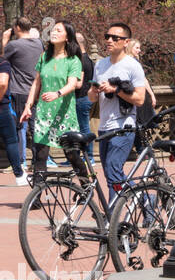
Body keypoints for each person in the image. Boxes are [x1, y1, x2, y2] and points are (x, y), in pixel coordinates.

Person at [21, 21, 89, 182]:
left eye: (59, 30)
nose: (54, 32)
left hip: (65, 115)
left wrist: (57, 94)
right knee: (40, 155)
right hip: (44, 113)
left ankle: (86, 188)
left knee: (72, 155)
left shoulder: (73, 60)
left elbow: (72, 84)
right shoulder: (44, 57)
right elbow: (36, 83)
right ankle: (37, 194)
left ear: (67, 37)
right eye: (53, 30)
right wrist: (28, 106)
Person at [87, 22, 148, 195]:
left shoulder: (132, 65)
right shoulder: (99, 65)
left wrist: (116, 90)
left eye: (115, 38)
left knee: (113, 168)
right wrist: (93, 90)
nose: (109, 40)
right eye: (107, 37)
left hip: (124, 126)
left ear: (126, 42)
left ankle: (113, 216)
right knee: (111, 174)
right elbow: (92, 98)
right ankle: (143, 200)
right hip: (104, 127)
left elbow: (140, 99)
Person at [3, 17, 44, 159]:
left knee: (18, 127)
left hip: (18, 90)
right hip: (35, 90)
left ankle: (20, 160)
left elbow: (2, 60)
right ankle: (39, 160)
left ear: (18, 28)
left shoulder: (14, 45)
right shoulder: (39, 44)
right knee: (35, 127)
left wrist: (4, 39)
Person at [0, 54, 28, 185]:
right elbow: (3, 83)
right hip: (2, 108)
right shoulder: (3, 62)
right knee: (11, 140)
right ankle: (19, 174)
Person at [73, 31, 96, 168]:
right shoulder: (88, 59)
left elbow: (79, 82)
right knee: (80, 128)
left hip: (81, 97)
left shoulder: (81, 60)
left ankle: (90, 156)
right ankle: (79, 156)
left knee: (83, 128)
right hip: (85, 98)